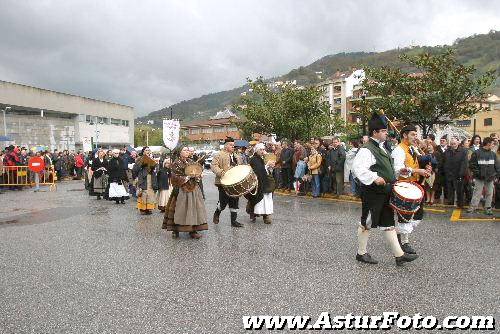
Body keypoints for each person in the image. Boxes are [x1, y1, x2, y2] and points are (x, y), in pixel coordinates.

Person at [352, 113, 418, 266]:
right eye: (383, 131)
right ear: (375, 132)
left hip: (385, 192)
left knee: (388, 223)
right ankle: (361, 253)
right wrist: (374, 177)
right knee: (367, 221)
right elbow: (358, 168)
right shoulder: (367, 149)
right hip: (373, 193)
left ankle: (399, 255)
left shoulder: (383, 148)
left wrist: (398, 172)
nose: (386, 133)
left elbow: (386, 169)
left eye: (385, 130)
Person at [391, 124, 430, 255]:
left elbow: (420, 161)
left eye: (416, 134)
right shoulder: (398, 150)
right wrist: (416, 170)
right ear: (404, 135)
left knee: (417, 215)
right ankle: (404, 242)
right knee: (405, 216)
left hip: (415, 185)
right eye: (413, 134)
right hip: (403, 186)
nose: (415, 137)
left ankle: (397, 233)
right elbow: (397, 170)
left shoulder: (413, 148)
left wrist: (426, 168)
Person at [162, 147, 208, 239]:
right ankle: (175, 229)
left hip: (194, 187)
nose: (187, 152)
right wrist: (187, 177)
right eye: (185, 150)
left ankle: (193, 230)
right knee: (179, 209)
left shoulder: (191, 162)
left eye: (188, 150)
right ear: (179, 152)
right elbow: (174, 178)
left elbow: (197, 171)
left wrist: (198, 175)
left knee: (194, 208)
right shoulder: (175, 163)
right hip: (181, 189)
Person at [211, 137, 244, 227]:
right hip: (223, 182)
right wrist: (222, 173)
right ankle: (217, 213)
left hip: (235, 182)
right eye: (231, 145)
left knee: (235, 201)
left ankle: (234, 221)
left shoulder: (237, 156)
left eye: (233, 145)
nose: (233, 146)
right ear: (225, 146)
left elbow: (240, 167)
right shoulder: (219, 155)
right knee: (223, 202)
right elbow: (213, 166)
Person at [467, 137, 499, 215]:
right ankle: (473, 207)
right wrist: (478, 174)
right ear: (488, 144)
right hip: (479, 177)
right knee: (477, 192)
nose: (493, 145)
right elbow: (472, 165)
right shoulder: (477, 153)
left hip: (490, 177)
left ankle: (488, 208)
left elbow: (497, 167)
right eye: (492, 144)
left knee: (489, 193)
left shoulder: (493, 154)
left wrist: (496, 176)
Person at [245, 143, 275, 224]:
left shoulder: (262, 158)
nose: (262, 151)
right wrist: (266, 166)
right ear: (257, 150)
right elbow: (258, 171)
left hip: (264, 181)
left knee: (266, 199)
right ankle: (253, 214)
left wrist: (269, 167)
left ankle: (266, 216)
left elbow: (265, 171)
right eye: (261, 150)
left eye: (263, 150)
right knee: (256, 199)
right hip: (257, 183)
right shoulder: (254, 159)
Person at [443, 137, 468, 207]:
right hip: (449, 174)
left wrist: (461, 174)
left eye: (454, 143)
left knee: (460, 191)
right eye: (451, 144)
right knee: (450, 191)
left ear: (458, 143)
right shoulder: (447, 151)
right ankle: (450, 204)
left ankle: (460, 204)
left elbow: (464, 164)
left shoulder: (463, 151)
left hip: (459, 175)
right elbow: (444, 162)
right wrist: (446, 171)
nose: (453, 145)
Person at [132, 147, 158, 215]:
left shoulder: (152, 158)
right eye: (146, 150)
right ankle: (142, 208)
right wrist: (142, 162)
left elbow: (154, 169)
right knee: (143, 192)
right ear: (143, 152)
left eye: (149, 150)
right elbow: (135, 169)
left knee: (150, 193)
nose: (148, 151)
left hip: (151, 177)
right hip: (143, 177)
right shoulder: (139, 159)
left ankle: (149, 208)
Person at [434, 135, 448, 204]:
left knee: (446, 184)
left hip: (446, 170)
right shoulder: (436, 148)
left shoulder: (449, 148)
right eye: (441, 140)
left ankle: (446, 198)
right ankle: (437, 198)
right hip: (439, 169)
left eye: (443, 141)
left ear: (446, 142)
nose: (442, 142)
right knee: (438, 184)